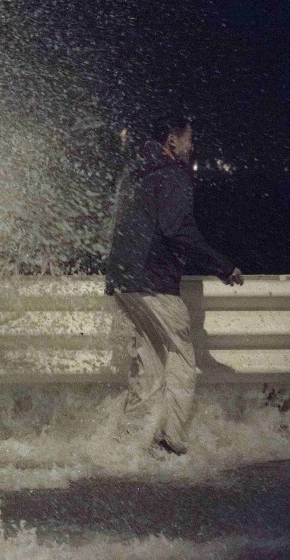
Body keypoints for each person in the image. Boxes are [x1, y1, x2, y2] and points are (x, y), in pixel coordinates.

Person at [105, 113, 243, 455]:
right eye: (188, 140)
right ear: (172, 141)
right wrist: (223, 267)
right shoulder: (172, 175)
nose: (191, 147)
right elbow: (178, 229)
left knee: (150, 364)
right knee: (181, 355)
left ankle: (126, 446)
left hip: (124, 278)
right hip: (153, 281)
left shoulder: (138, 172)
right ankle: (168, 440)